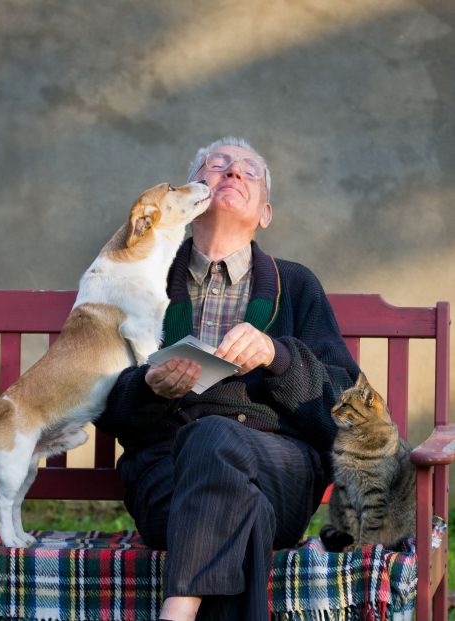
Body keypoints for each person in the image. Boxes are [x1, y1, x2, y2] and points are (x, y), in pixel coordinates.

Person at [95, 137, 359, 621]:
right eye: (216, 167)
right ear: (191, 198)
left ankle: (177, 611)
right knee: (243, 511)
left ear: (265, 213)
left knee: (217, 440)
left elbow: (346, 411)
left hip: (280, 470)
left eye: (249, 172)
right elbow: (105, 408)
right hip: (167, 479)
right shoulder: (138, 284)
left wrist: (278, 356)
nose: (233, 173)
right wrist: (149, 388)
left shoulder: (296, 286)